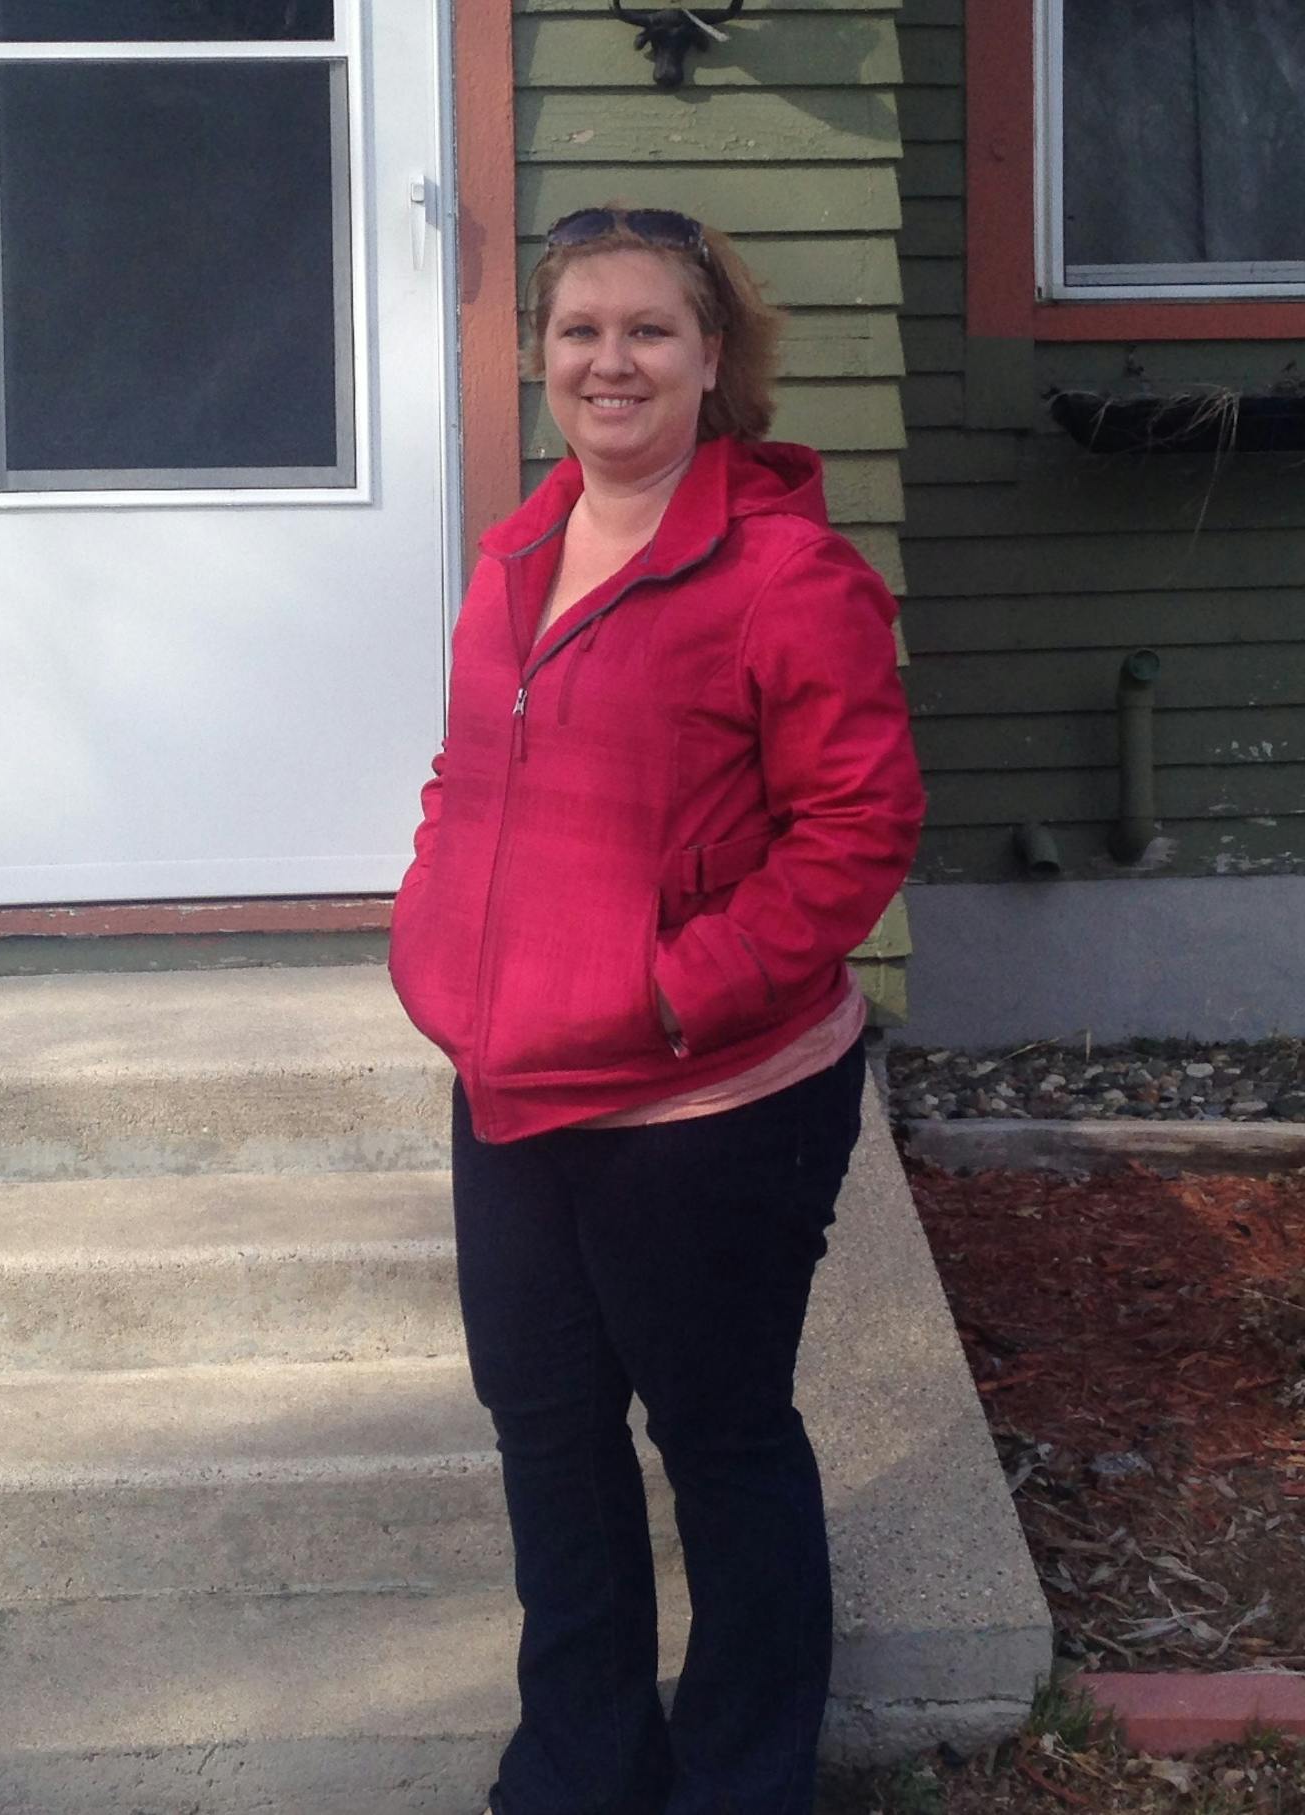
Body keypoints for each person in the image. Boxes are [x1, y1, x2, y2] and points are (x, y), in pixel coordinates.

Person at [387, 205, 926, 1815]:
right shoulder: (515, 557)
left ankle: (742, 1779)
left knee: (721, 1435)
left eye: (648, 331)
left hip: (712, 1103)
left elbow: (857, 833)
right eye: (580, 331)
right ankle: (579, 1768)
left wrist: (677, 995)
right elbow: (465, 779)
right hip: (514, 1087)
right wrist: (434, 949)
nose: (609, 360)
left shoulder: (787, 575)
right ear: (543, 358)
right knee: (546, 1436)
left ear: (713, 362)